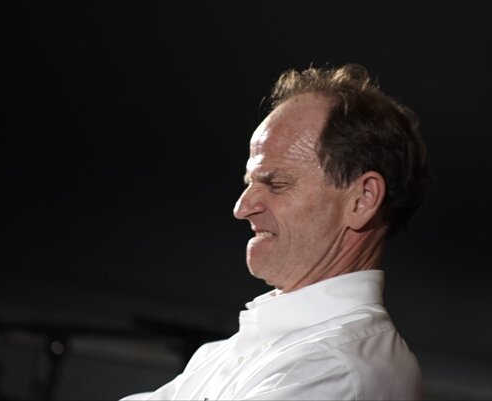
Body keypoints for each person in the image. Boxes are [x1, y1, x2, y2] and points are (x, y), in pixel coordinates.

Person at [122, 63, 429, 400]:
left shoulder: (335, 368)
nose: (241, 208)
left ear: (362, 199)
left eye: (276, 184)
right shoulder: (233, 352)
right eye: (249, 183)